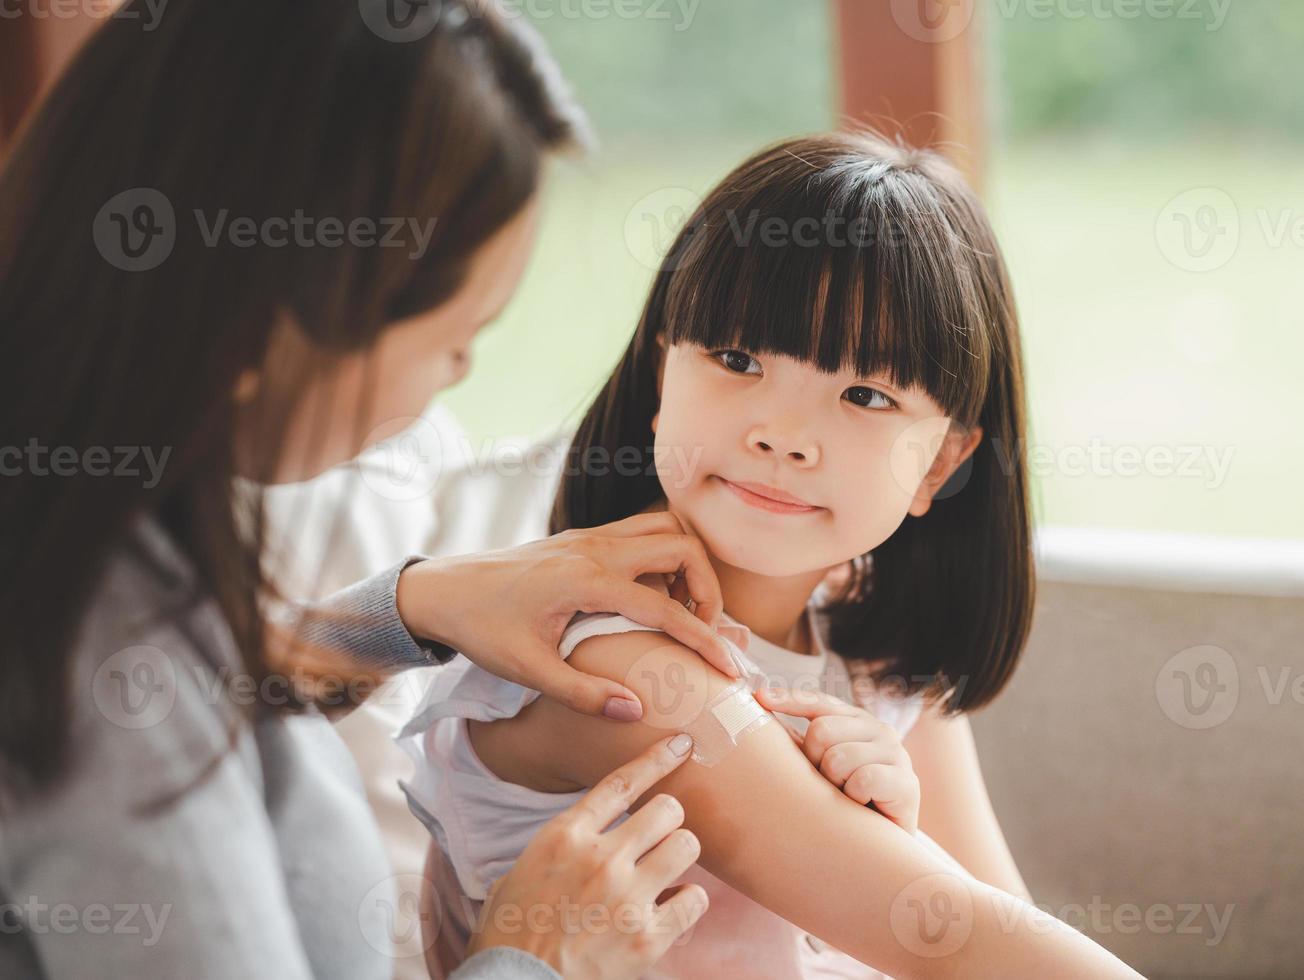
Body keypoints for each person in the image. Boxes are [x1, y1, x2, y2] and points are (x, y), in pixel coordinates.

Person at [0, 1, 746, 977]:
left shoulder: (87, 539)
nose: (460, 372)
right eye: (453, 336)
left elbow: (202, 675)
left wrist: (411, 606)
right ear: (274, 322)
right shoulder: (93, 656)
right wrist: (535, 954)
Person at [400, 133, 1145, 978]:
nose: (782, 436)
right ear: (659, 382)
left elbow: (1000, 919)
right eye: (736, 358)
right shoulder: (619, 664)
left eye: (864, 394)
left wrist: (897, 828)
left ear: (939, 461)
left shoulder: (879, 646)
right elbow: (963, 940)